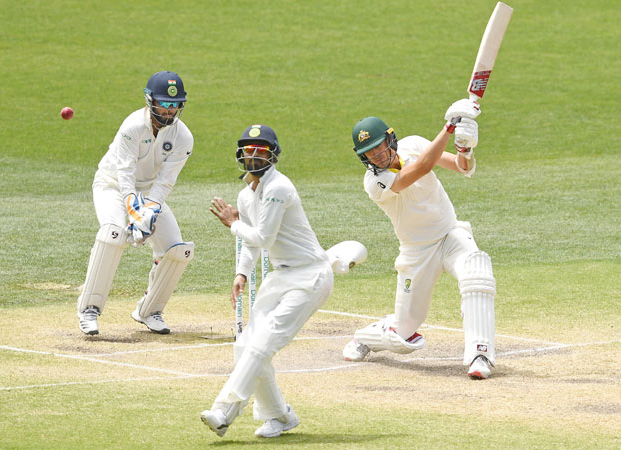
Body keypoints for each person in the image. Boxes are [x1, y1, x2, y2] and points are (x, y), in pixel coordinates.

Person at [342, 99, 498, 379]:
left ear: (390, 139)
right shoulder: (374, 183)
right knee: (403, 332)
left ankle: (480, 355)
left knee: (477, 270)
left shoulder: (413, 144)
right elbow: (421, 169)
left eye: (378, 146)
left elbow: (464, 168)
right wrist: (449, 127)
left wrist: (465, 148)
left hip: (450, 234)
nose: (376, 155)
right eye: (369, 152)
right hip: (417, 253)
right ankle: (365, 338)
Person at [201, 124, 334, 438]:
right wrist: (242, 273)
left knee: (264, 342)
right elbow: (251, 243)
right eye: (249, 150)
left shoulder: (278, 187)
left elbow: (262, 236)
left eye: (261, 150)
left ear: (272, 154)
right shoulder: (246, 195)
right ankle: (280, 415)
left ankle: (222, 411)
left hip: (310, 275)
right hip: (281, 275)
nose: (254, 155)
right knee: (245, 345)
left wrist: (233, 224)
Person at [76, 71, 195, 336]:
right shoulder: (131, 126)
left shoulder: (183, 138)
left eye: (174, 105)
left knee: (178, 250)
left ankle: (149, 310)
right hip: (113, 185)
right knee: (114, 233)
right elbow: (124, 172)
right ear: (150, 100)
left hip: (149, 191)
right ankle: (89, 309)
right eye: (164, 103)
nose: (169, 110)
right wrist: (133, 212)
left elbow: (165, 182)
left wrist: (149, 211)